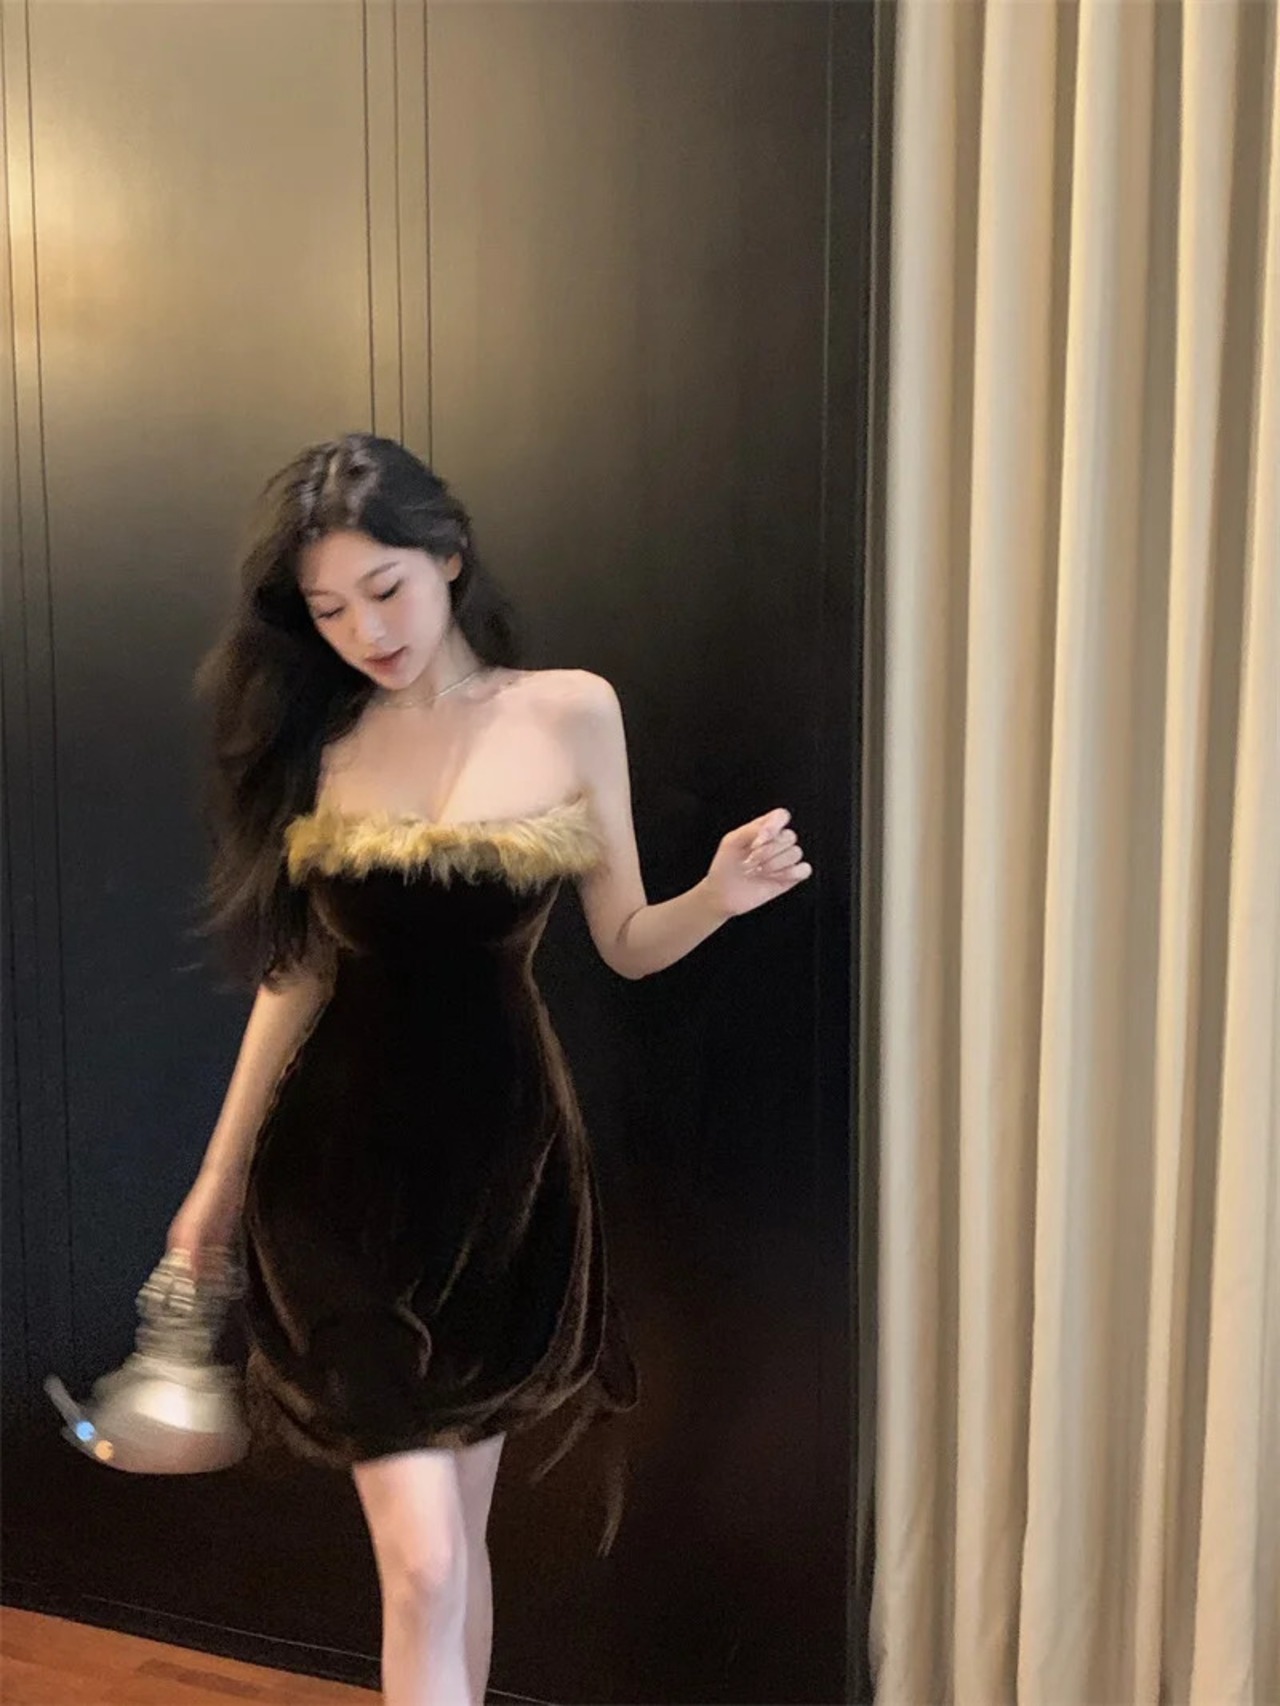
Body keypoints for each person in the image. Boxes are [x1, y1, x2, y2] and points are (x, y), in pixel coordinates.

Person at [165, 432, 812, 1706]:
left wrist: (717, 896)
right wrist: (215, 1185)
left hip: (503, 1183)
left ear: (448, 556)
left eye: (385, 588)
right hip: (336, 1184)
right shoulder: (322, 741)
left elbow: (625, 941)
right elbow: (294, 978)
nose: (364, 631)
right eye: (328, 609)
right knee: (420, 1563)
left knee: (454, 1555)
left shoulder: (568, 708)